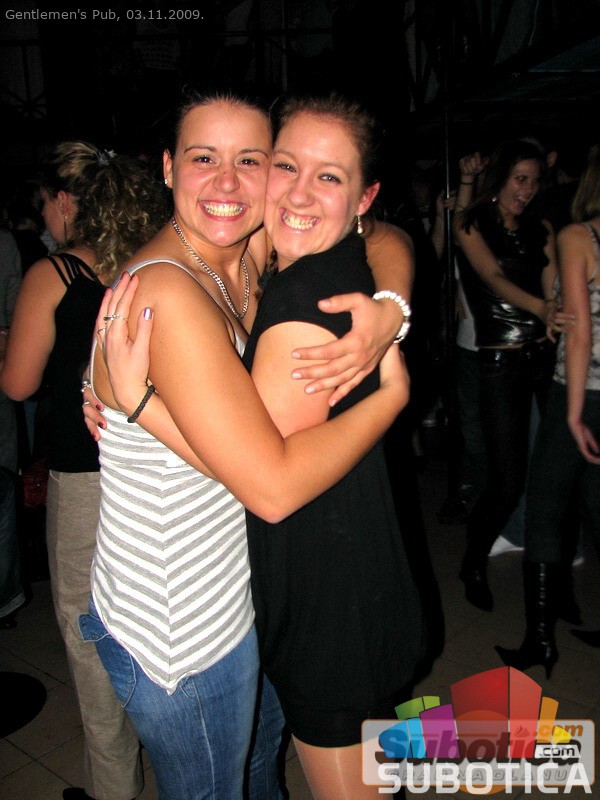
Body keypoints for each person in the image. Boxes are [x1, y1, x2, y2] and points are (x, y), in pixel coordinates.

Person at [78, 90, 415, 800]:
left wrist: (391, 309)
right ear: (168, 168)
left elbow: (381, 234)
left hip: (241, 594)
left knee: (261, 777)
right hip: (180, 623)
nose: (228, 183)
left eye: (253, 161)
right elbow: (270, 486)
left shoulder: (247, 249)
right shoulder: (166, 293)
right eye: (204, 158)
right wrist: (140, 406)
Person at [240, 93, 425, 798]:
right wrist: (394, 305)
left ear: (363, 196)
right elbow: (391, 238)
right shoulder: (340, 262)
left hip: (326, 601)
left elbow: (272, 486)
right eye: (287, 165)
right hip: (362, 569)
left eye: (329, 176)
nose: (298, 193)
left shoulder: (304, 302)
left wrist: (143, 401)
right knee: (381, 775)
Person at [0, 141, 168, 800]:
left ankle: (115, 788)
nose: (45, 215)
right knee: (152, 621)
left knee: (88, 633)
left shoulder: (55, 273)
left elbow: (18, 384)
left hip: (88, 474)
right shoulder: (151, 266)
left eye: (47, 202)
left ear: (68, 201)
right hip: (158, 467)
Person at [496, 143, 600, 675]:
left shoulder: (580, 236)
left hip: (581, 392)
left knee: (544, 509)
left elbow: (578, 335)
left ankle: (540, 643)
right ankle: (562, 613)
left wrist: (573, 414)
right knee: (594, 502)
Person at [454, 139, 564, 612]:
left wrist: (556, 308)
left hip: (545, 358)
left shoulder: (542, 228)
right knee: (506, 482)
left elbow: (554, 283)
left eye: (534, 181)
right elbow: (492, 277)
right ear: (500, 178)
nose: (527, 189)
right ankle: (472, 561)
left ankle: (556, 583)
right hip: (500, 362)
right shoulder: (472, 223)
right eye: (520, 178)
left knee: (558, 474)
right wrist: (541, 307)